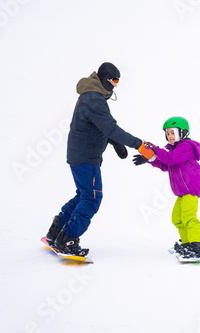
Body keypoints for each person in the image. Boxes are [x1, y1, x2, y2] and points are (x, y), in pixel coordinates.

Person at [45, 62, 148, 256]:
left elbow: (98, 126)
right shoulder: (94, 99)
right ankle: (67, 239)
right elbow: (110, 127)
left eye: (118, 81)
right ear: (105, 78)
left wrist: (115, 142)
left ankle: (55, 232)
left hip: (80, 154)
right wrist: (139, 144)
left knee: (83, 195)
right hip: (86, 157)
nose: (116, 85)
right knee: (92, 198)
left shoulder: (91, 96)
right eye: (114, 80)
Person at [133, 117, 200, 259]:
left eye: (173, 133)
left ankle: (196, 246)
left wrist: (155, 149)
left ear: (182, 132)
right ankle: (187, 244)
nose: (170, 136)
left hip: (190, 189)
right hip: (182, 192)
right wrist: (150, 159)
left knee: (189, 218)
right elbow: (166, 165)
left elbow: (171, 158)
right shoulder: (175, 151)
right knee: (177, 218)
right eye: (168, 134)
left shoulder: (186, 146)